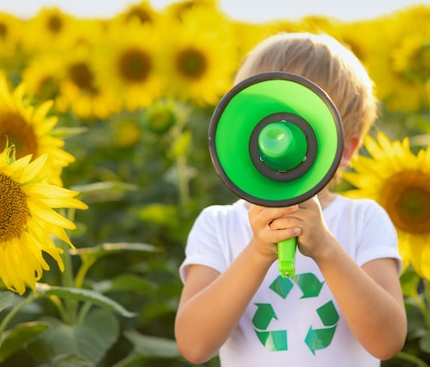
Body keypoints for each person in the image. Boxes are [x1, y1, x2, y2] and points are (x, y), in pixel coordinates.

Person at [174, 32, 407, 367]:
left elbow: (386, 341)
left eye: (305, 120)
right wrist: (256, 253)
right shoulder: (218, 225)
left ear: (346, 149)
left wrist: (326, 248)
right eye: (264, 116)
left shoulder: (364, 220)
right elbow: (194, 345)